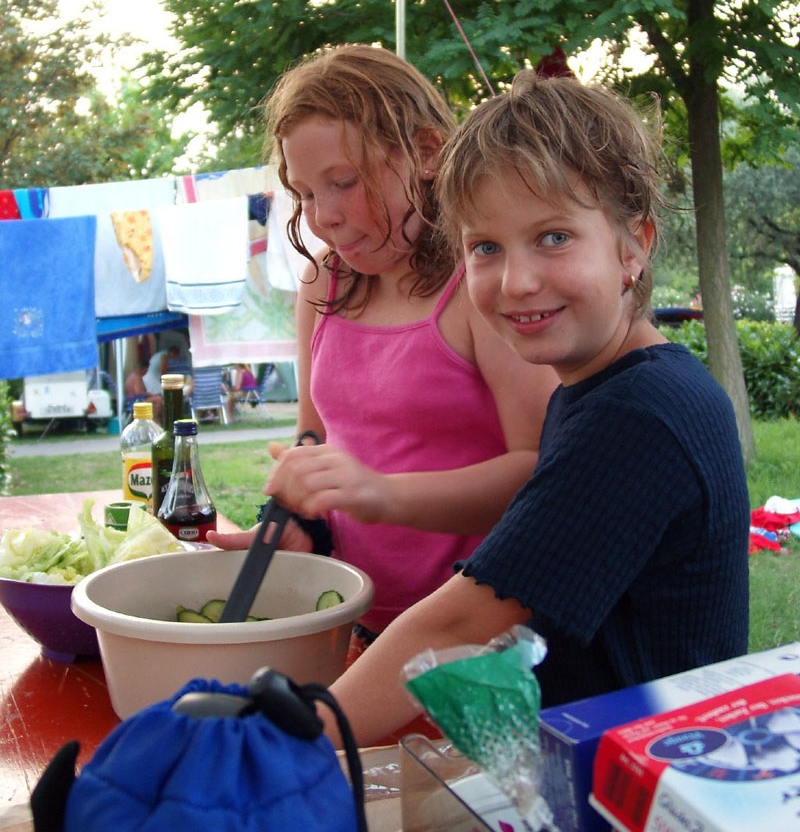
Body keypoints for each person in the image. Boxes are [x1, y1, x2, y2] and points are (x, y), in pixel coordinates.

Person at [269, 67, 750, 747]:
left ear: (634, 245)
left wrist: (288, 744)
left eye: (554, 237)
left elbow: (462, 624)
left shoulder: (640, 415)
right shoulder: (602, 389)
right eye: (486, 248)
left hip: (645, 772)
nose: (517, 281)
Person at [208, 44, 558, 649]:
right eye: (305, 193)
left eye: (344, 182)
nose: (324, 216)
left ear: (425, 152)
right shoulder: (324, 281)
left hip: (483, 628)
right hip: (359, 617)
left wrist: (381, 494)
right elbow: (315, 437)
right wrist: (302, 521)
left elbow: (540, 471)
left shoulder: (480, 283)